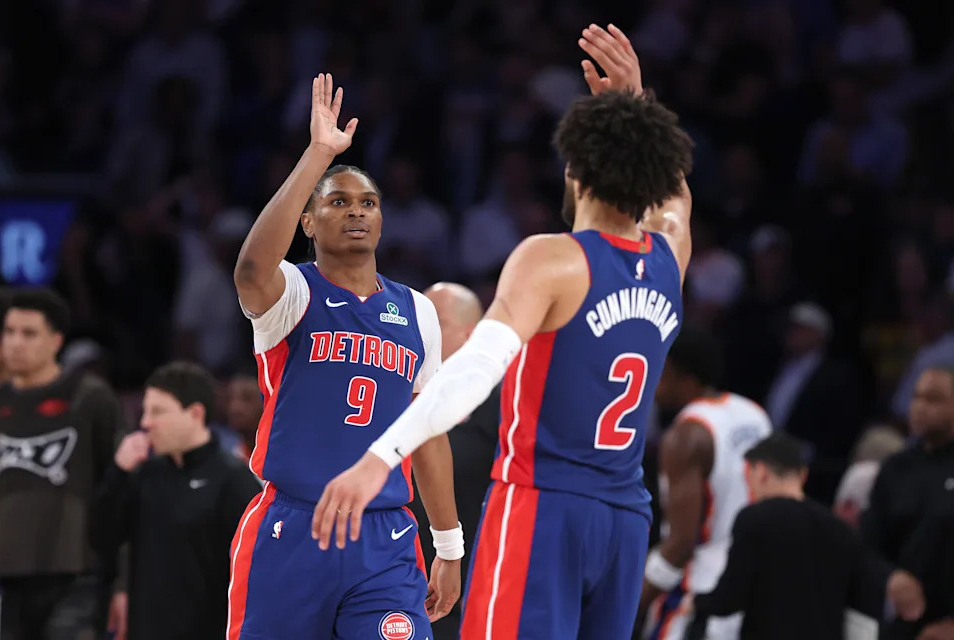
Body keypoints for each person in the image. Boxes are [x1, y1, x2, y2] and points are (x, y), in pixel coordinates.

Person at [314, 24, 694, 639]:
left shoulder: (554, 258)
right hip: (626, 517)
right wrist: (636, 101)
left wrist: (381, 454)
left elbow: (471, 370)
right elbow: (676, 202)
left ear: (577, 172)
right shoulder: (670, 258)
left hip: (544, 504)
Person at [228, 73, 462, 640]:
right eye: (338, 202)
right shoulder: (296, 292)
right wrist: (318, 155)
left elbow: (427, 431)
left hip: (384, 537)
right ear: (308, 222)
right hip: (292, 527)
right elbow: (251, 271)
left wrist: (449, 543)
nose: (357, 212)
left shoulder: (417, 311)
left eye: (368, 203)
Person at [685, 432, 925, 640]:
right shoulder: (840, 529)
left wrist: (697, 602)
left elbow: (730, 599)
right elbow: (860, 603)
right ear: (803, 474)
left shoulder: (754, 518)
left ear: (759, 471)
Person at [90, 361, 261, 640]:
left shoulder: (233, 480)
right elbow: (101, 538)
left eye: (157, 412)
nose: (145, 422)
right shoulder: (144, 472)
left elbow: (253, 572)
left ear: (194, 413)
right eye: (145, 411)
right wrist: (118, 473)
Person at [0, 288, 121, 639]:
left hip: (77, 576)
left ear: (56, 341)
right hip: (10, 578)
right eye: (9, 332)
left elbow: (121, 488)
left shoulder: (89, 398)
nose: (15, 343)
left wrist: (122, 580)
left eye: (29, 333)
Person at [639, 328, 772, 640]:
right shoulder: (753, 414)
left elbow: (681, 544)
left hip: (697, 595)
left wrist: (631, 603)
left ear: (686, 379)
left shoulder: (686, 437)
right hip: (752, 584)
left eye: (662, 368)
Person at [408, 281, 500, 640]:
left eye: (437, 321)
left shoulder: (503, 404)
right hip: (402, 572)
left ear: (471, 333)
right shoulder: (401, 393)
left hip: (475, 583)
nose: (423, 333)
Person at [862, 367, 954, 639]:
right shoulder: (896, 468)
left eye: (934, 399)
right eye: (916, 397)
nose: (920, 407)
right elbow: (867, 545)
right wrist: (892, 577)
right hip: (903, 624)